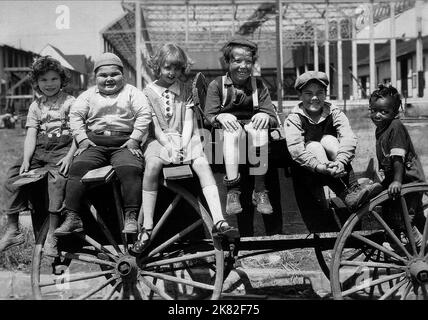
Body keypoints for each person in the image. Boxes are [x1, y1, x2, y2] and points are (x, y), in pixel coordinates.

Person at [131, 43, 239, 254]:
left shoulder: (187, 89)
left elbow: (189, 120)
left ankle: (218, 220)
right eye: (167, 68)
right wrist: (168, 145)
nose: (172, 73)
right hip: (159, 139)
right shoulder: (148, 92)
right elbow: (154, 126)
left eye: (177, 69)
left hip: (185, 136)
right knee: (152, 165)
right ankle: (147, 226)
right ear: (158, 67)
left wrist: (182, 143)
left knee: (201, 162)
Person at [54, 52, 152, 238]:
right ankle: (72, 216)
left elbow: (144, 115)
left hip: (124, 142)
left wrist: (135, 139)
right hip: (95, 142)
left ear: (123, 75)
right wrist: (82, 139)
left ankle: (131, 215)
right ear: (95, 77)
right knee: (78, 167)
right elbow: (75, 116)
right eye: (103, 75)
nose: (109, 79)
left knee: (130, 168)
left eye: (114, 74)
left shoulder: (133, 93)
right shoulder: (88, 95)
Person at [0, 56, 77, 255]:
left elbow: (79, 133)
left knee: (57, 180)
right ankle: (13, 229)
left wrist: (70, 156)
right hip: (40, 151)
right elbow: (31, 134)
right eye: (43, 80)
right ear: (36, 83)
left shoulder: (70, 102)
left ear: (61, 79)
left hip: (63, 149)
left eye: (53, 79)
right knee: (12, 176)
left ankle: (52, 233)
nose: (49, 84)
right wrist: (26, 159)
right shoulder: (36, 106)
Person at [284, 71, 383, 212]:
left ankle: (353, 188)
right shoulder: (294, 119)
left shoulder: (334, 112)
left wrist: (341, 161)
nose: (314, 98)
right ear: (300, 96)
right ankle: (347, 195)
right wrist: (321, 167)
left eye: (320, 93)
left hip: (338, 168)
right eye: (308, 93)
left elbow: (348, 137)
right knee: (314, 146)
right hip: (309, 172)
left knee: (329, 139)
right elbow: (296, 150)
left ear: (325, 94)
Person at [204, 38, 279, 215]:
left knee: (259, 129)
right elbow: (208, 117)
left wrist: (265, 116)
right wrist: (220, 116)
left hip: (252, 133)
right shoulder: (217, 85)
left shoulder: (258, 85)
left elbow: (273, 119)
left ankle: (260, 190)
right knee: (231, 133)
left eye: (248, 61)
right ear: (228, 62)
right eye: (237, 61)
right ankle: (233, 190)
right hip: (226, 136)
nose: (243, 66)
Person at [369, 84, 426, 249]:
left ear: (395, 113)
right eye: (373, 110)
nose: (377, 115)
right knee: (409, 213)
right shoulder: (381, 129)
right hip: (397, 177)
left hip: (408, 179)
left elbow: (397, 158)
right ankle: (414, 238)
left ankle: (417, 243)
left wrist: (397, 181)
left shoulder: (395, 126)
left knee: (405, 216)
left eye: (384, 112)